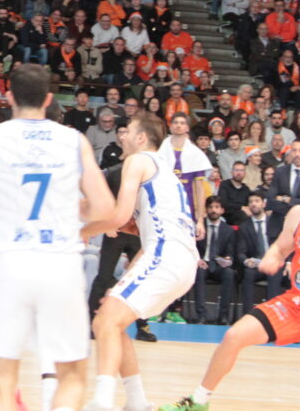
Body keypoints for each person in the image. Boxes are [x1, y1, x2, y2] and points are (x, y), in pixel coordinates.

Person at [0, 64, 114, 411]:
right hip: (60, 263)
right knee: (72, 377)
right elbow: (104, 208)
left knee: (3, 380)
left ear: (8, 98)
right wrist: (68, 209)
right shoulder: (74, 140)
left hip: (12, 263)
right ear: (49, 98)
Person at [159, 159, 300, 411]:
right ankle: (198, 402)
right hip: (294, 304)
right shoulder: (298, 214)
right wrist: (273, 256)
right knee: (234, 335)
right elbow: (281, 246)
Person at [82, 117, 198, 411]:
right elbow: (135, 225)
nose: (122, 136)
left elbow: (120, 217)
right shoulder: (165, 173)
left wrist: (83, 231)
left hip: (166, 255)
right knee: (114, 323)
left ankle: (102, 402)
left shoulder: (139, 161)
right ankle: (137, 402)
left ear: (142, 138)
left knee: (104, 321)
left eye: (128, 132)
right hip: (181, 260)